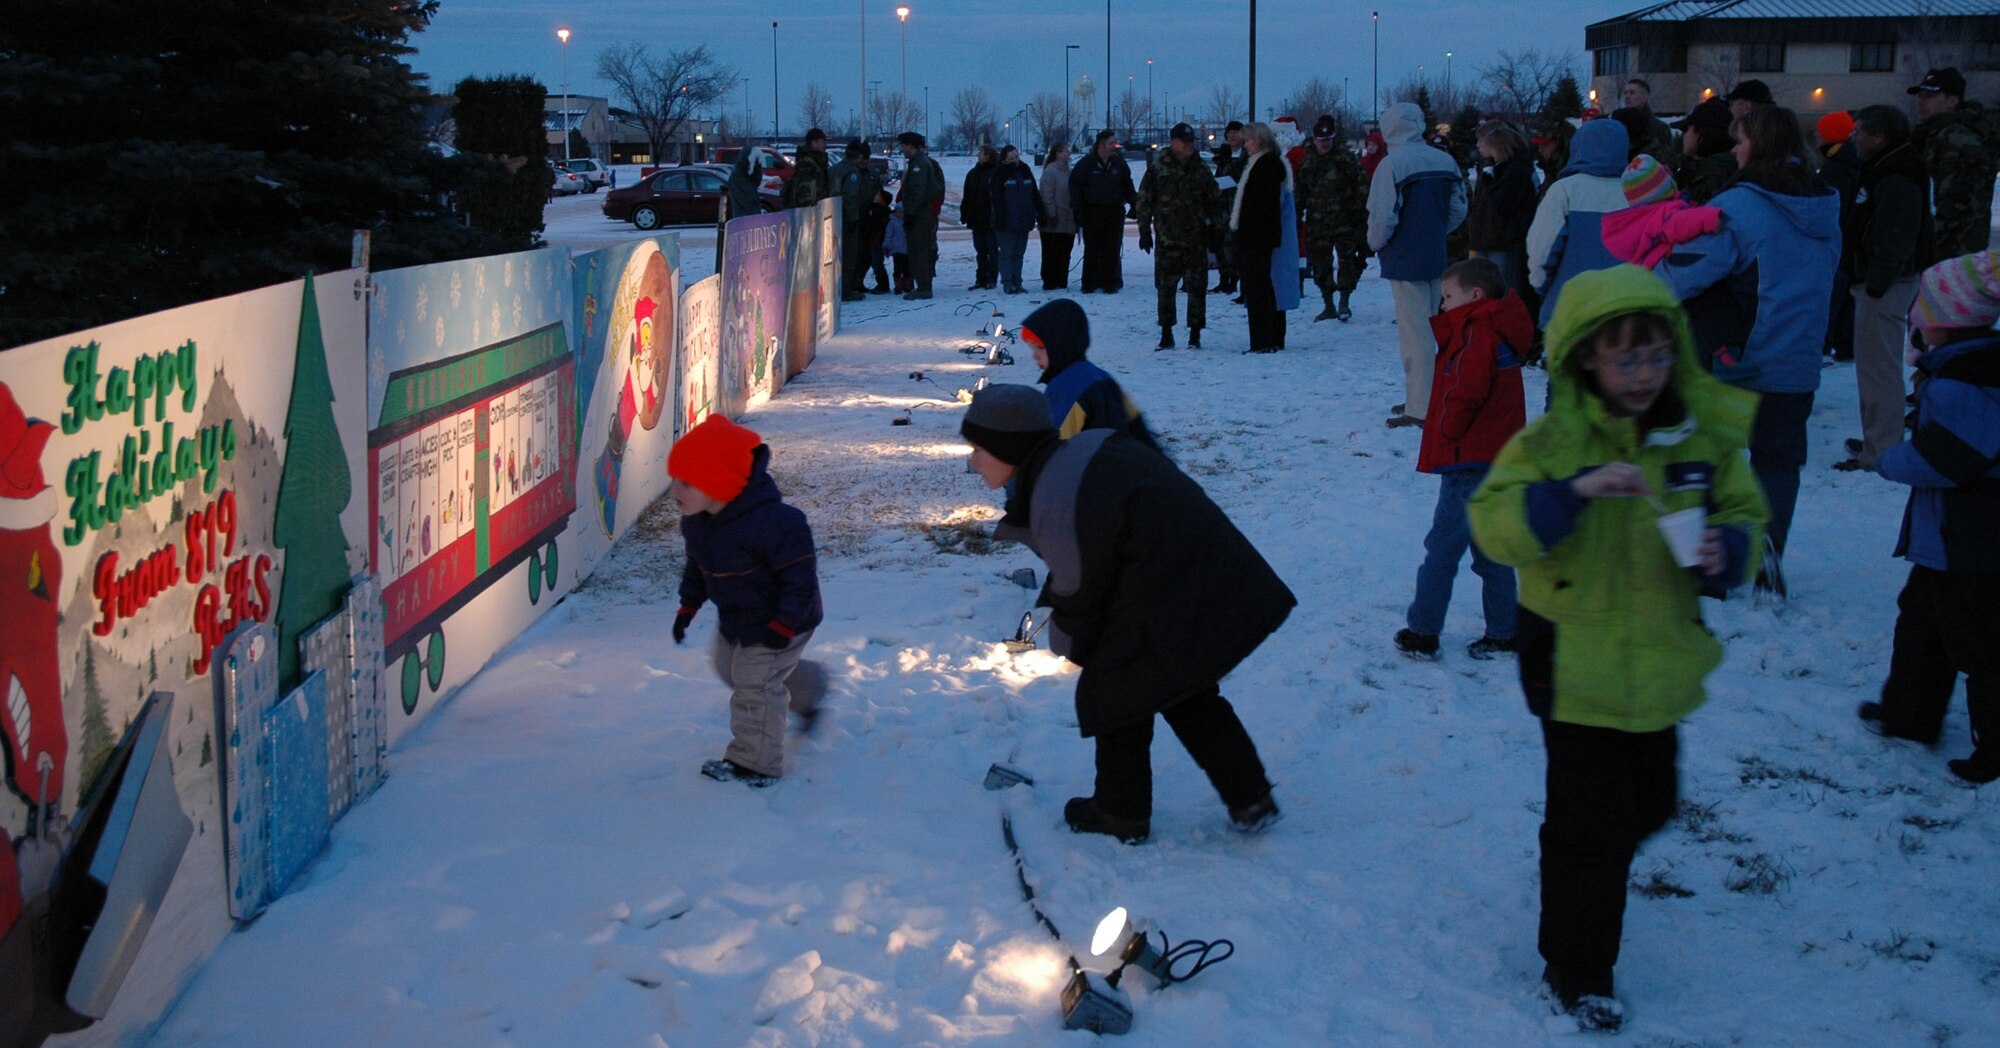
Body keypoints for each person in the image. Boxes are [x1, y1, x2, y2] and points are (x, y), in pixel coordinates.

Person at [1467, 264, 1767, 1033]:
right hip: (1570, 659)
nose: (1641, 372)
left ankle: (1579, 860)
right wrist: (1571, 493)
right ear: (1586, 361)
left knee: (1651, 802)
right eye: (1623, 356)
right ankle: (1579, 967)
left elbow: (1742, 507)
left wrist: (1726, 547)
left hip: (1659, 659)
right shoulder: (1554, 441)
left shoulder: (1696, 435)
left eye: (1656, 354)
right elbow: (1492, 524)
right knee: (1593, 828)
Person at [961, 384, 1291, 843]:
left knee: (1115, 688)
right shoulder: (1078, 453)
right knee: (1184, 690)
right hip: (1201, 570)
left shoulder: (1054, 491)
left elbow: (1077, 586)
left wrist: (1071, 641)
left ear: (1008, 447)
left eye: (978, 449)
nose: (972, 461)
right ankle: (1250, 797)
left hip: (1176, 581)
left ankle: (1121, 812)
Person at [1655, 105, 1841, 598]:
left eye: (1740, 141)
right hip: (1798, 355)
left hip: (1739, 355)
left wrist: (1647, 283)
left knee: (1713, 456)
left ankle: (1713, 565)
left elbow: (1691, 270)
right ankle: (1766, 554)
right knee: (1779, 462)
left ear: (1756, 145)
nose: (1735, 149)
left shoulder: (1743, 207)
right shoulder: (1825, 204)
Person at [1859, 250, 2000, 785]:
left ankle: (1994, 749)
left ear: (1943, 322)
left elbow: (1957, 454)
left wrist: (1894, 460)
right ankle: (1908, 716)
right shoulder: (1963, 368)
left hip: (1974, 541)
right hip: (1948, 541)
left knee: (1982, 643)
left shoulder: (1966, 380)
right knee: (1921, 625)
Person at [668, 415, 826, 787]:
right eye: (674, 478)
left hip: (783, 619)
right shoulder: (697, 522)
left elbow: (800, 582)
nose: (675, 489)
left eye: (687, 482)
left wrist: (782, 627)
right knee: (732, 670)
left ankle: (755, 764)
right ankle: (809, 687)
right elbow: (698, 567)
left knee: (754, 687)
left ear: (719, 483)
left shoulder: (778, 523)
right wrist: (687, 608)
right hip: (738, 617)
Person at [1395, 258, 1531, 662]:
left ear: (1475, 296)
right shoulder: (1494, 331)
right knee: (1491, 548)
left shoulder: (1477, 335)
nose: (1442, 305)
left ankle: (1423, 630)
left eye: (1448, 296)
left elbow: (1465, 391)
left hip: (1468, 460)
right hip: (1495, 458)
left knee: (1442, 548)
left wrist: (1448, 429)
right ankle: (1504, 630)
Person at [1839, 105, 1933, 473]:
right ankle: (1880, 438)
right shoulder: (1888, 166)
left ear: (1879, 137)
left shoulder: (1895, 174)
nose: (1853, 138)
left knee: (1879, 370)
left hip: (1886, 285)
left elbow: (1896, 235)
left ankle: (1881, 450)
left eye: (1858, 131)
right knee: (1875, 368)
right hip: (1882, 282)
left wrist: (1877, 283)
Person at [1368, 102, 1469, 426]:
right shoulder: (1444, 160)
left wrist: (1378, 243)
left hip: (1405, 256)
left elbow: (1382, 216)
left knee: (1416, 335)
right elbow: (1458, 208)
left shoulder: (1392, 165)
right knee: (1436, 328)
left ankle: (1420, 407)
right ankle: (1428, 395)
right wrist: (1436, 232)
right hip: (1436, 253)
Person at [1526, 119, 1633, 329]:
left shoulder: (1564, 190)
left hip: (1570, 308)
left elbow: (1542, 247)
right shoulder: (1637, 191)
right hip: (1624, 306)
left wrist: (1540, 284)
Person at [1019, 298, 1159, 447]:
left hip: (1096, 466)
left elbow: (1053, 447)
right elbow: (1140, 431)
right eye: (1032, 348)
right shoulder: (1101, 377)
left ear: (1060, 346)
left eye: (1040, 348)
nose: (1034, 355)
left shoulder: (1068, 387)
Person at [1136, 122, 1224, 349]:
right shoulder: (1159, 168)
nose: (1190, 146)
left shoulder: (1200, 169)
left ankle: (1195, 334)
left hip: (1196, 239)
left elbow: (1214, 201)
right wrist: (1144, 232)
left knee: (1197, 287)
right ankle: (1166, 332)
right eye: (1185, 142)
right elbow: (1144, 201)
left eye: (1192, 142)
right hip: (1168, 239)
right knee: (1166, 288)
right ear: (1173, 143)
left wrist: (1216, 230)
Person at [1910, 67, 1999, 261]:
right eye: (1921, 96)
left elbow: (1959, 205)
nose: (1921, 101)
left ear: (1952, 101)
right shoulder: (1936, 134)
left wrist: (1935, 245)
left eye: (1930, 96)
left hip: (1956, 251)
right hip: (1953, 247)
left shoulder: (1957, 140)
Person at [1233, 121, 1299, 353]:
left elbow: (1263, 208)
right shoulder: (1271, 164)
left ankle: (1263, 340)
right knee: (1265, 288)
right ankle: (1271, 338)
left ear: (1260, 140)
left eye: (1249, 140)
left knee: (1259, 289)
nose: (1246, 145)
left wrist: (1247, 235)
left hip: (1256, 239)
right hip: (1262, 238)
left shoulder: (1265, 166)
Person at [1300, 113, 1371, 321]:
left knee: (1347, 263)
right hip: (1318, 223)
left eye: (1328, 139)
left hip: (1345, 222)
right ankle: (1328, 304)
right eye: (1321, 140)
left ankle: (1344, 302)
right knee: (1321, 265)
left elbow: (1362, 187)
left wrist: (1359, 213)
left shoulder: (1346, 159)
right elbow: (1301, 192)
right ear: (1315, 140)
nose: (1325, 143)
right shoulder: (1308, 163)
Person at [1600, 156, 1722, 270]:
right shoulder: (1663, 213)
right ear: (1668, 184)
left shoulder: (1643, 217)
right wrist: (1709, 218)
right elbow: (1678, 223)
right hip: (1663, 267)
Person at [1465, 122, 1538, 296]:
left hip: (1502, 242)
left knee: (1501, 289)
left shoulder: (1513, 172)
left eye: (1482, 141)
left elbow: (1503, 205)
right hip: (1486, 239)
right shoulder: (1494, 169)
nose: (1478, 146)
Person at [1817, 110, 1863, 363]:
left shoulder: (1834, 168)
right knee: (1846, 298)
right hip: (1852, 241)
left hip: (1840, 242)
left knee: (1832, 296)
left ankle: (1825, 342)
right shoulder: (1856, 161)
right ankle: (1846, 343)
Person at [1071, 130, 1137, 294]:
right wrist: (1077, 209)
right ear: (1100, 145)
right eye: (1110, 143)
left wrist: (1135, 204)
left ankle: (1110, 283)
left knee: (1112, 249)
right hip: (1092, 212)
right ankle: (1089, 283)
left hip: (1114, 212)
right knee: (1092, 248)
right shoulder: (1086, 164)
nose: (1114, 145)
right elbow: (1075, 186)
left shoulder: (1119, 164)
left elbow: (1127, 185)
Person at [829, 139, 883, 301]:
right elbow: (849, 197)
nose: (865, 161)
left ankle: (856, 282)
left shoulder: (872, 174)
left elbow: (879, 194)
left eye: (868, 158)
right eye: (863, 157)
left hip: (866, 218)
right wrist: (853, 218)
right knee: (849, 254)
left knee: (863, 254)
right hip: (850, 218)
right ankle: (847, 288)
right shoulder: (849, 172)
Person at [988, 145, 1042, 296]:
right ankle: (1008, 282)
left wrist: (1038, 213)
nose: (1015, 161)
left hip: (1023, 220)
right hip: (1006, 222)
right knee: (1007, 253)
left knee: (1019, 253)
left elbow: (1034, 193)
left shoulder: (1025, 170)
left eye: (1016, 157)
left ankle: (1017, 281)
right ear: (1004, 159)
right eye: (1011, 159)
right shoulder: (999, 173)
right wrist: (1000, 220)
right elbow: (996, 200)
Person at [897, 132, 944, 300]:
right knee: (919, 250)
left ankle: (924, 287)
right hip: (921, 213)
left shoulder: (919, 165)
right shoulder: (919, 162)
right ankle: (923, 285)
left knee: (919, 251)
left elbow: (918, 191)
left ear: (911, 146)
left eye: (904, 145)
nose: (902, 149)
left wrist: (910, 212)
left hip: (920, 215)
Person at [1669, 98, 1737, 205]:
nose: (1684, 136)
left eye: (1687, 130)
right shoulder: (1695, 170)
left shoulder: (1712, 180)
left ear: (1701, 134)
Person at [1212, 121, 1250, 294]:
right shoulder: (1223, 156)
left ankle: (1237, 279)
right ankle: (1224, 277)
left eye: (1236, 132)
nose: (1233, 135)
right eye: (1230, 132)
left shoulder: (1247, 156)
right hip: (1221, 207)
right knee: (1221, 243)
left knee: (1236, 245)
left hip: (1239, 206)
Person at [1038, 142, 1076, 291]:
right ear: (1058, 153)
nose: (1068, 154)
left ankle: (1062, 280)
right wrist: (1052, 214)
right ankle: (1050, 281)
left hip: (1068, 219)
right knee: (1051, 253)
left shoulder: (1069, 172)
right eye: (1066, 151)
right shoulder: (1050, 172)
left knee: (1065, 252)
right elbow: (1046, 195)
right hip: (1054, 221)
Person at [963, 144, 1000, 290]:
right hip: (976, 218)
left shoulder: (995, 172)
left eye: (981, 153)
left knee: (992, 250)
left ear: (988, 155)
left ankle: (992, 278)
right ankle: (980, 278)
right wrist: (965, 213)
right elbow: (967, 196)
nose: (978, 155)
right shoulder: (973, 174)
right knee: (980, 251)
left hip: (990, 219)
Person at [1621, 78, 1677, 161]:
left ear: (1645, 96)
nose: (1627, 96)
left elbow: (1667, 157)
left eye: (1632, 93)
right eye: (1625, 93)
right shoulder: (1620, 125)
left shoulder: (1659, 127)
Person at [781, 128, 832, 209]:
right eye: (822, 142)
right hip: (810, 211)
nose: (824, 145)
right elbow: (805, 193)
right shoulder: (807, 163)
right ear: (813, 142)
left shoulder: (817, 161)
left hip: (818, 208)